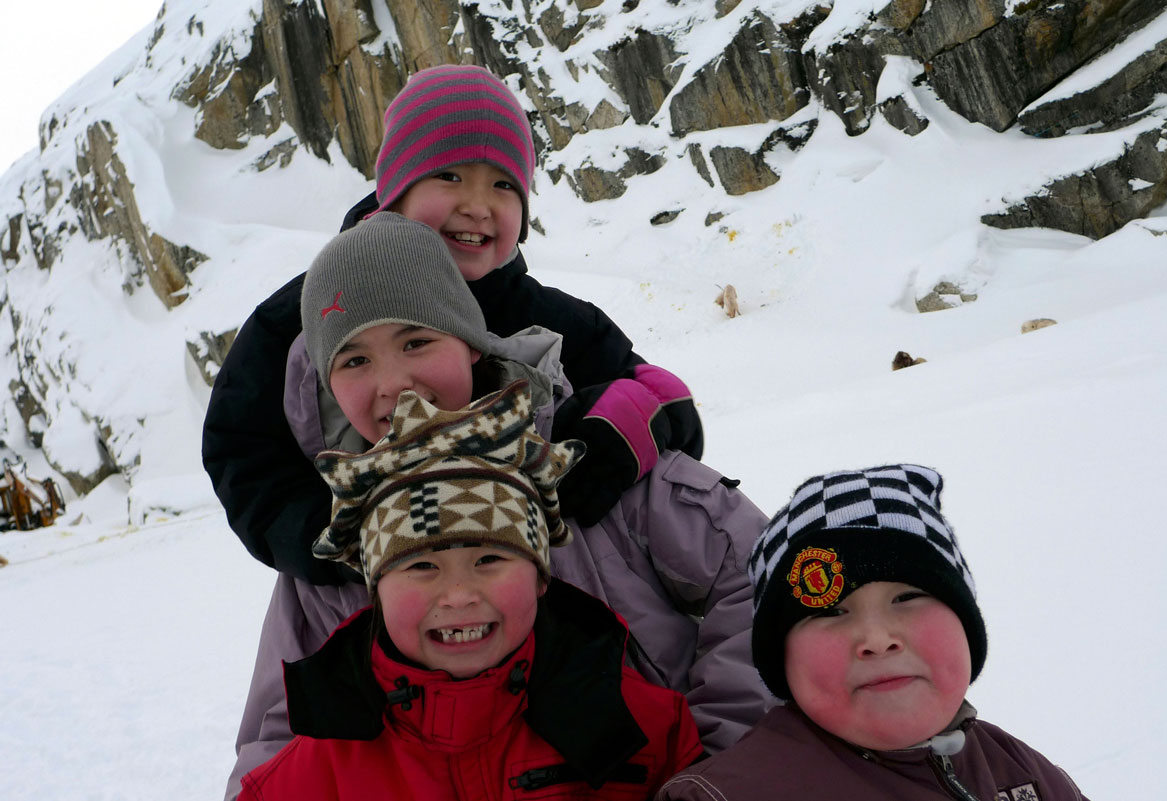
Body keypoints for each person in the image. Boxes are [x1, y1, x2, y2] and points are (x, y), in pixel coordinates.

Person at [224, 214, 773, 799]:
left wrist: (721, 764)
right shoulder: (330, 540)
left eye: (417, 340)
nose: (394, 384)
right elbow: (278, 739)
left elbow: (761, 579)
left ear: (467, 340)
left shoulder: (589, 457)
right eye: (355, 360)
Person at [202, 63, 703, 587]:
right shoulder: (305, 317)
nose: (478, 205)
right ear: (393, 191)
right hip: (373, 609)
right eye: (450, 175)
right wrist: (336, 536)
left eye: (504, 185)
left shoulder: (549, 319)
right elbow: (241, 450)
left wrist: (618, 432)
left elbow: (657, 397)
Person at [237, 380, 704, 800]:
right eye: (421, 565)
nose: (458, 595)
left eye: (489, 559)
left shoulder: (647, 727)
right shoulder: (315, 773)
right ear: (375, 591)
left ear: (542, 576)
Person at [657, 464, 1090, 801]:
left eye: (906, 598)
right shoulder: (726, 794)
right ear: (780, 658)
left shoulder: (1017, 769)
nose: (878, 638)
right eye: (831, 612)